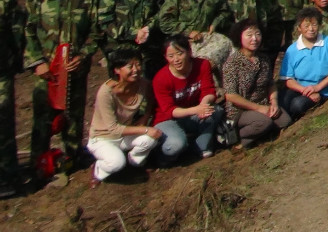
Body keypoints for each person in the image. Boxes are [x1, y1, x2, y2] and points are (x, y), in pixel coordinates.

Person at [25, 0, 100, 186]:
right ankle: (39, 165)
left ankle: (70, 159)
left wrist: (84, 54)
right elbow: (28, 34)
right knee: (43, 119)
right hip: (46, 72)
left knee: (73, 116)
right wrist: (37, 63)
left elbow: (96, 33)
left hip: (74, 70)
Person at [86, 48, 160, 188]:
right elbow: (113, 129)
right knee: (116, 163)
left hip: (124, 135)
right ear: (117, 70)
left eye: (138, 64)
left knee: (152, 138)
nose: (136, 70)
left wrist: (145, 117)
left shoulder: (143, 84)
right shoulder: (106, 93)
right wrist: (145, 129)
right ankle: (98, 170)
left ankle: (133, 164)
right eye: (130, 66)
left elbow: (150, 99)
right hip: (103, 137)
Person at [222, 18, 292, 149]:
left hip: (263, 103)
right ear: (240, 37)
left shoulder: (264, 59)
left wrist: (274, 103)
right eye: (249, 35)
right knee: (263, 122)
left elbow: (270, 83)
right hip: (241, 110)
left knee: (285, 121)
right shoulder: (232, 63)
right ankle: (238, 140)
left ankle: (260, 136)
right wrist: (259, 109)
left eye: (257, 34)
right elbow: (231, 95)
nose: (254, 39)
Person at [152, 35, 221, 164]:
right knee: (176, 145)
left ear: (189, 52)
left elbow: (209, 91)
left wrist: (203, 106)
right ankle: (162, 154)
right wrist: (196, 109)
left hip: (192, 112)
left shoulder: (202, 64)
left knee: (215, 111)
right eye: (171, 56)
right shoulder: (161, 78)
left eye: (180, 54)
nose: (176, 60)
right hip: (168, 119)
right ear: (165, 57)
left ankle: (199, 146)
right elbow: (169, 110)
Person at [279, 8, 328, 119]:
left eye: (314, 25)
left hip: (323, 90)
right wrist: (305, 90)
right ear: (299, 28)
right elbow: (288, 79)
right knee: (283, 100)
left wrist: (317, 88)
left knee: (298, 104)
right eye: (306, 26)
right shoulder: (292, 49)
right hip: (300, 89)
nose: (311, 29)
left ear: (319, 26)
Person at [0, 0, 22, 199]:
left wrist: (14, 65)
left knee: (3, 124)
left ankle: (7, 176)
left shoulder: (6, 1)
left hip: (1, 74)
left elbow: (17, 36)